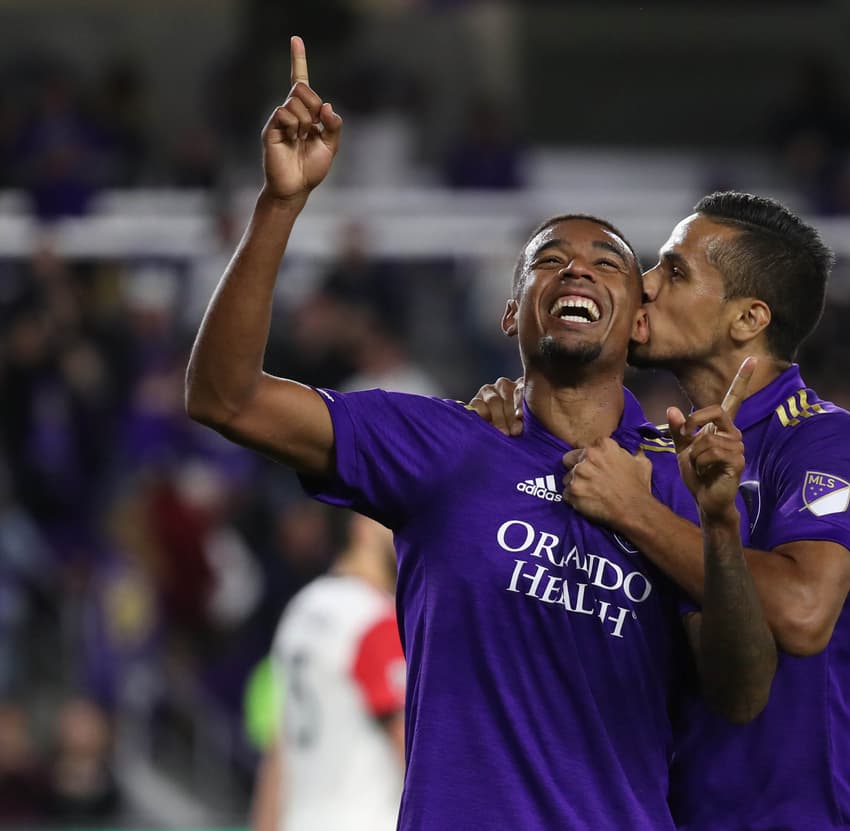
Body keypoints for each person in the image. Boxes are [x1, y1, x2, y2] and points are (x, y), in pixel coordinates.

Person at [184, 37, 775, 831]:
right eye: (548, 259)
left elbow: (741, 692)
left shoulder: (683, 482)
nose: (576, 269)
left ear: (638, 321)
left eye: (607, 261)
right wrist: (280, 203)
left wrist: (715, 528)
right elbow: (224, 397)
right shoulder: (443, 445)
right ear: (511, 313)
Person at [471, 191, 850, 829]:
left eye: (674, 272)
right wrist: (510, 419)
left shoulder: (821, 441)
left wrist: (637, 513)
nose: (643, 287)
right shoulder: (652, 451)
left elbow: (805, 614)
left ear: (747, 319)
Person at [249, 514, 406, 831]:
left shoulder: (301, 608)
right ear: (363, 525)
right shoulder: (376, 620)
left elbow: (279, 747)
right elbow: (410, 751)